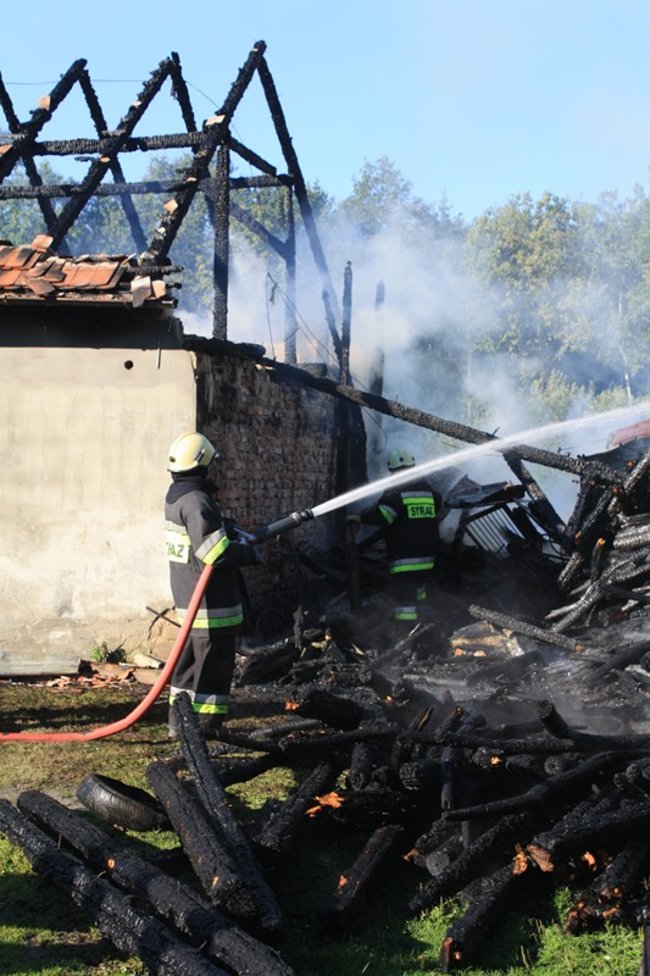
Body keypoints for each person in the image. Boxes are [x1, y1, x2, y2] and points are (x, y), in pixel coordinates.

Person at [164, 431, 258, 738]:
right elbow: (213, 553)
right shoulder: (197, 501)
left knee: (188, 666)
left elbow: (199, 539)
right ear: (203, 463)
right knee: (214, 668)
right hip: (210, 603)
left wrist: (224, 526)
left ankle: (178, 722)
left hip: (189, 600)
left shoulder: (177, 496)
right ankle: (206, 729)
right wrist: (248, 552)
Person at [348, 447, 441, 633]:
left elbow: (384, 516)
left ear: (394, 471)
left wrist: (359, 518)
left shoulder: (396, 495)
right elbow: (437, 507)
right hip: (428, 557)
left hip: (405, 559)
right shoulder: (430, 493)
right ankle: (425, 625)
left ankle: (407, 635)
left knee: (404, 601)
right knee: (419, 591)